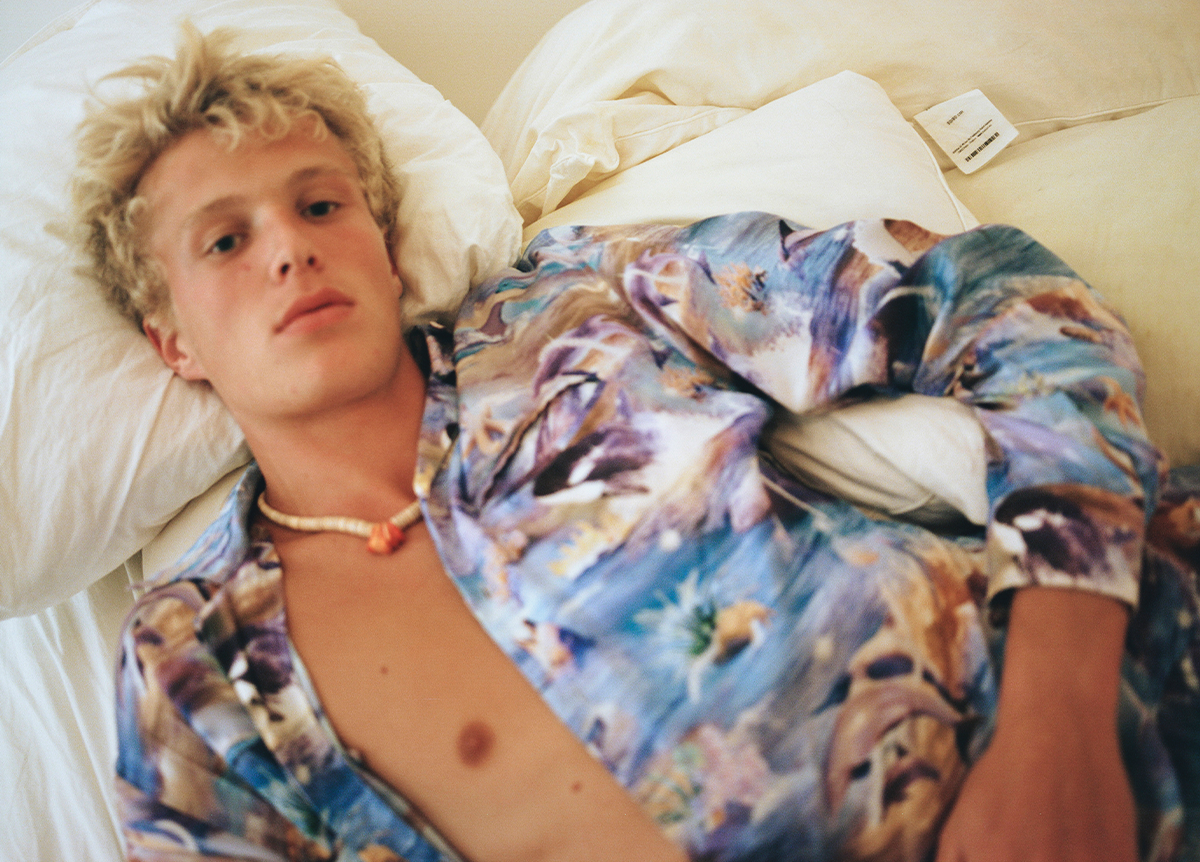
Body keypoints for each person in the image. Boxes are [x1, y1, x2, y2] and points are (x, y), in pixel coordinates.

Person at [73, 24, 1198, 862]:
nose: (289, 249)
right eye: (225, 240)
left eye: (321, 206)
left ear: (385, 240)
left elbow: (1006, 306)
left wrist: (1057, 723)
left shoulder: (580, 315)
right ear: (171, 338)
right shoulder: (193, 668)